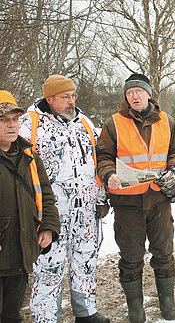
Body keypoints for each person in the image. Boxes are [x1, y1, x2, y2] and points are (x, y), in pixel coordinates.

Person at [19, 75, 110, 323]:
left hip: (86, 211)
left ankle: (86, 311)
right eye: (64, 97)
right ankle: (47, 317)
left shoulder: (85, 123)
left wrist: (102, 198)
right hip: (51, 214)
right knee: (49, 267)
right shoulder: (29, 125)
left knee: (85, 260)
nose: (71, 102)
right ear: (50, 98)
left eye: (73, 96)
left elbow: (96, 162)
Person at [96, 73, 175, 322]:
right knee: (131, 256)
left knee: (163, 251)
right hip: (128, 203)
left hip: (159, 200)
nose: (135, 96)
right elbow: (103, 156)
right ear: (126, 96)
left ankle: (167, 300)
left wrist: (174, 170)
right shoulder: (113, 123)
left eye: (139, 91)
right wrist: (108, 174)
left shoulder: (167, 121)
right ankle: (135, 306)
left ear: (148, 94)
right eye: (130, 93)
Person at [0, 90, 60, 322]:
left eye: (14, 119)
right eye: (3, 120)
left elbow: (45, 194)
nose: (11, 125)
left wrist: (48, 227)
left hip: (20, 255)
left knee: (11, 316)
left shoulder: (29, 156)